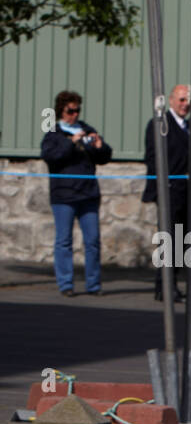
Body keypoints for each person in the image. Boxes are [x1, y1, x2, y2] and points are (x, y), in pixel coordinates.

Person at [40, 90, 112, 297]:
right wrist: (71, 142)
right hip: (64, 195)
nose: (74, 115)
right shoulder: (53, 134)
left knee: (93, 240)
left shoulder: (87, 129)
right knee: (64, 241)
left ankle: (93, 285)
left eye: (77, 110)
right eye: (70, 111)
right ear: (61, 111)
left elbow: (103, 157)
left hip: (88, 194)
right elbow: (51, 156)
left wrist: (100, 146)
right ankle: (66, 284)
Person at [142, 84, 191, 301]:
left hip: (185, 191)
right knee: (168, 242)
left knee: (179, 242)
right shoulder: (160, 124)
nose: (185, 105)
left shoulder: (188, 126)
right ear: (172, 100)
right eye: (181, 100)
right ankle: (164, 286)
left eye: (188, 101)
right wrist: (164, 183)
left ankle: (170, 284)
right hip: (168, 190)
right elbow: (153, 157)